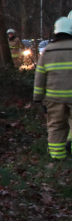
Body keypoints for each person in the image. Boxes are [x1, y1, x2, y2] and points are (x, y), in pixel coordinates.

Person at [33, 17, 72, 160]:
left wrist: (38, 99)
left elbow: (39, 78)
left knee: (56, 126)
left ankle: (57, 158)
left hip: (54, 98)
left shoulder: (47, 51)